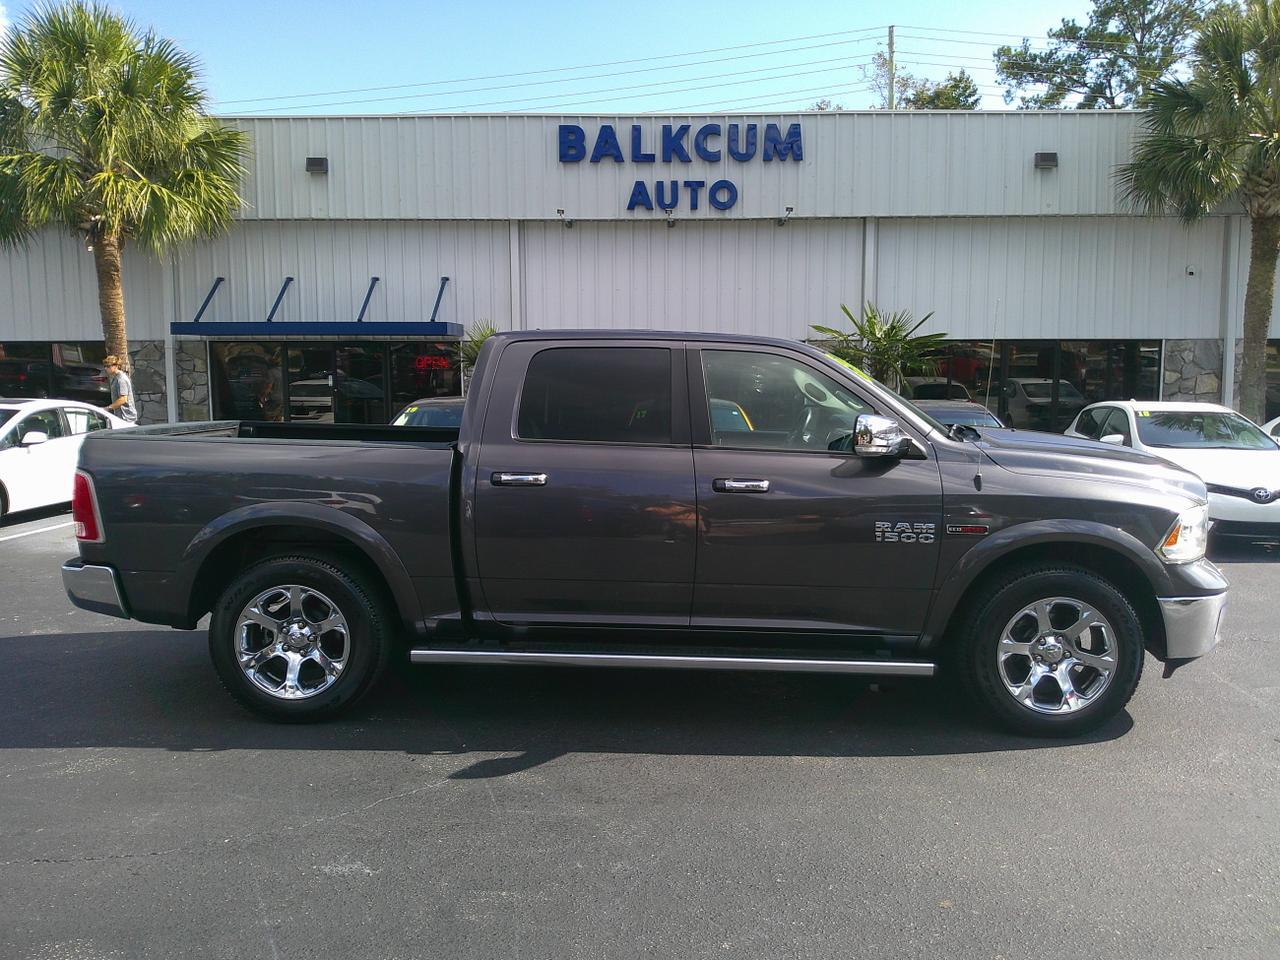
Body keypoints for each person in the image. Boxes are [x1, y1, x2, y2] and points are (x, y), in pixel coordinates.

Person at [103, 355, 138, 424]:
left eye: (108, 366)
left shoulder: (121, 379)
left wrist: (108, 408)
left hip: (126, 417)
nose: (106, 368)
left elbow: (123, 399)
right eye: (105, 366)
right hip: (121, 416)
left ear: (116, 366)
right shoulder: (115, 378)